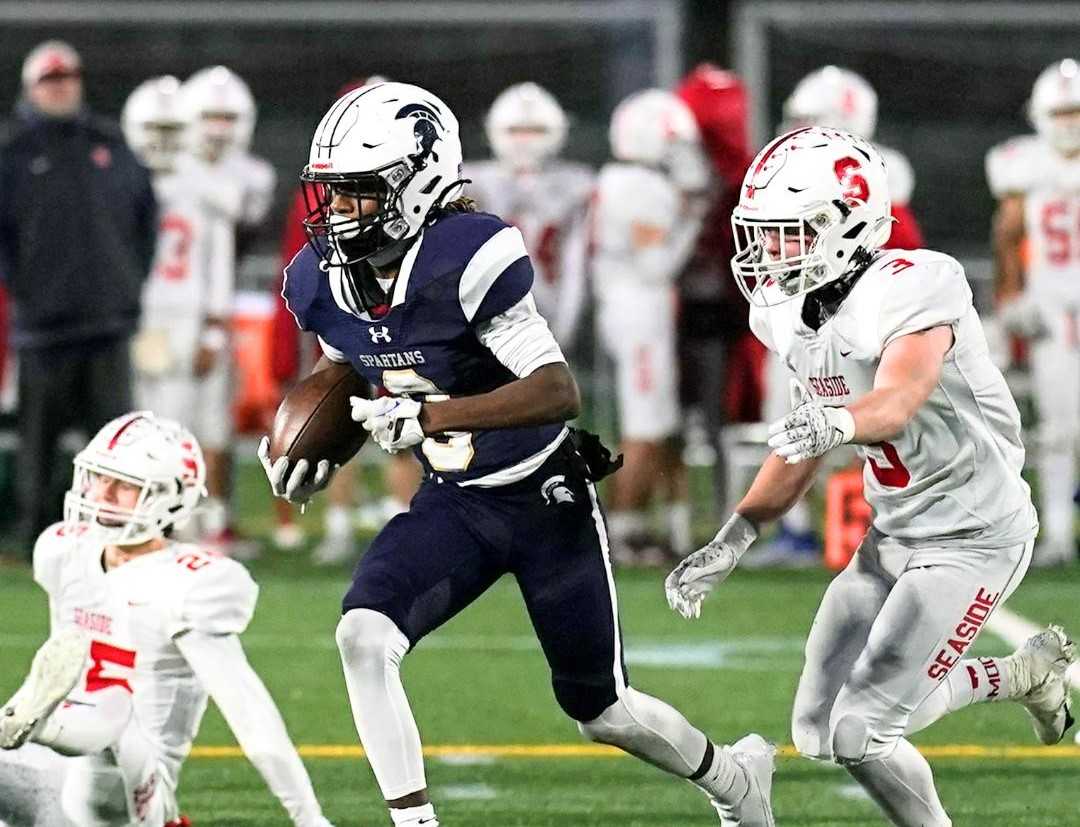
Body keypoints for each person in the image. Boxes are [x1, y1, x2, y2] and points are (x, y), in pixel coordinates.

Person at [262, 81, 775, 827]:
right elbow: (343, 363)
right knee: (362, 635)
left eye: (357, 190)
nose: (336, 209)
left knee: (602, 711)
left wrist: (431, 414)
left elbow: (557, 390)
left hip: (544, 499)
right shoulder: (324, 279)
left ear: (417, 183)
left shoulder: (467, 256)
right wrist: (310, 445)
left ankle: (734, 779)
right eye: (331, 191)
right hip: (454, 502)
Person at [665, 126, 1076, 827]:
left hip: (975, 535)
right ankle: (1021, 673)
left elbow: (898, 398)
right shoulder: (789, 312)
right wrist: (734, 537)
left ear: (847, 225)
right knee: (819, 731)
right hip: (894, 533)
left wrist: (836, 421)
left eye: (787, 235)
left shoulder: (915, 285)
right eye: (762, 235)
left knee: (863, 731)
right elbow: (803, 441)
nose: (769, 254)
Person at [0, 411, 334, 827]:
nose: (102, 494)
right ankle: (26, 725)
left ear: (170, 498)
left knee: (115, 708)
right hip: (54, 778)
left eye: (124, 486)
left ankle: (36, 723)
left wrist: (309, 818)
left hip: (130, 799)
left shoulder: (189, 584)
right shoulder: (64, 552)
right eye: (99, 477)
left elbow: (250, 714)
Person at [750, 65, 928, 567]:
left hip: (856, 319)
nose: (796, 129)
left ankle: (896, 525)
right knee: (788, 419)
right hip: (798, 310)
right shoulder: (788, 169)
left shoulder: (875, 173)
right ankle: (796, 531)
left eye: (809, 119)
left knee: (869, 422)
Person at [0, 41, 157, 554]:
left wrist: (127, 284)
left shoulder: (110, 145)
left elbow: (145, 223)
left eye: (67, 77)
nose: (61, 87)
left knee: (115, 445)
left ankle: (115, 534)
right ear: (30, 88)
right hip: (42, 329)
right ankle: (33, 537)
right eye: (50, 80)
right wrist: (26, 290)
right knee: (38, 444)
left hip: (107, 323)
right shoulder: (13, 152)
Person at [591, 88, 710, 565]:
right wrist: (693, 216)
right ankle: (618, 531)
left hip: (635, 305)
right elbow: (658, 264)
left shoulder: (622, 180)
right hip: (638, 307)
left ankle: (634, 525)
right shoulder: (638, 188)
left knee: (656, 422)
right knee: (645, 424)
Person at [123, 75, 238, 544]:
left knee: (179, 422)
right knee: (144, 420)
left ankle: (184, 517)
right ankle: (153, 516)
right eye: (155, 129)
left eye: (171, 130)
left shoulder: (202, 184)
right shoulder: (125, 178)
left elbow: (219, 258)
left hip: (182, 317)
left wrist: (213, 327)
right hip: (140, 317)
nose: (162, 141)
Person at [178, 65, 277, 555]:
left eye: (227, 117)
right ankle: (176, 519)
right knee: (172, 419)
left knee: (216, 420)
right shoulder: (167, 173)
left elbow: (243, 216)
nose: (218, 128)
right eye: (209, 116)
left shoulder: (249, 175)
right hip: (169, 308)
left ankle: (214, 520)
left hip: (219, 304)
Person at [986, 58, 1080, 567]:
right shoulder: (1023, 164)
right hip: (1052, 309)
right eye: (1061, 112)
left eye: (1076, 111)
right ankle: (1060, 533)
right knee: (1058, 429)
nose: (1069, 122)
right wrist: (1009, 298)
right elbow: (1007, 234)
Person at [464, 82, 593, 351]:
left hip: (552, 295)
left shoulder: (577, 183)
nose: (524, 141)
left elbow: (576, 258)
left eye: (535, 131)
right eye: (515, 131)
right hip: (496, 299)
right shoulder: (475, 180)